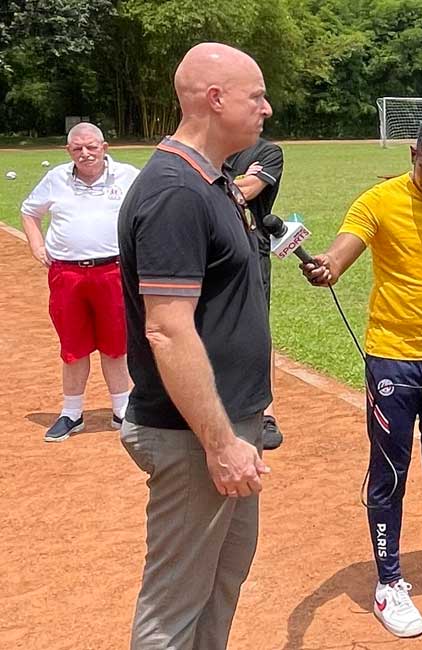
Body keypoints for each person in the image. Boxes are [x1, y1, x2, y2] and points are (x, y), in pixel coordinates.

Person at [301, 115, 422, 638]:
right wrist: (328, 267)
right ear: (413, 153)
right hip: (393, 360)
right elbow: (344, 249)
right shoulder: (377, 201)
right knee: (389, 472)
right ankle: (389, 582)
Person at [117, 42, 273, 649]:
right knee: (174, 606)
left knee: (221, 581)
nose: (266, 107)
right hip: (197, 437)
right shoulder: (176, 192)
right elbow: (168, 328)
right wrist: (219, 442)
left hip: (231, 426)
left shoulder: (213, 181)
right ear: (216, 99)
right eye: (255, 95)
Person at [20, 122, 139, 441]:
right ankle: (72, 413)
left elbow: (149, 211)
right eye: (77, 148)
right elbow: (29, 212)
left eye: (91, 147)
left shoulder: (128, 176)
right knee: (73, 346)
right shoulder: (56, 178)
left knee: (116, 345)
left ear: (104, 147)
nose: (85, 153)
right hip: (67, 274)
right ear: (68, 151)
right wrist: (36, 245)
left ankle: (121, 410)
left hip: (113, 271)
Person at [228, 138, 285, 450]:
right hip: (209, 248)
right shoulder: (210, 148)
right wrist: (236, 180)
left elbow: (245, 193)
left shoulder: (267, 152)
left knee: (257, 330)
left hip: (252, 250)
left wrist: (227, 183)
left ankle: (265, 412)